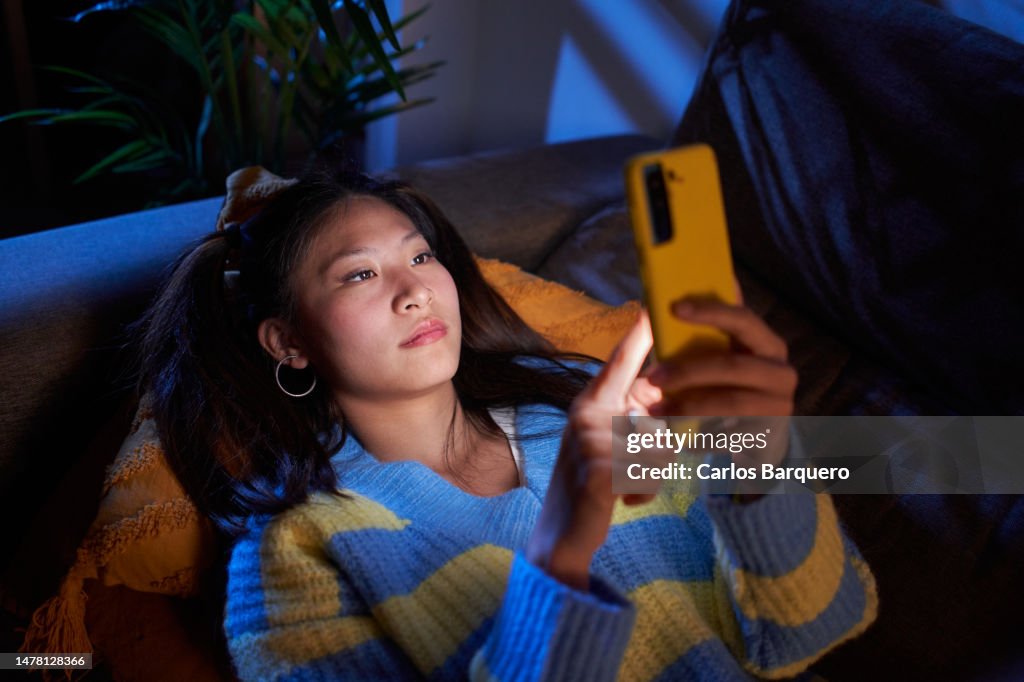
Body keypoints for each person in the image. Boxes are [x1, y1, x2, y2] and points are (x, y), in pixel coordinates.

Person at [135, 166, 877, 681]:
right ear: (288, 341)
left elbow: (808, 630)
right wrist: (562, 547)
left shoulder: (592, 407)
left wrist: (761, 464)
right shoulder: (294, 554)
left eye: (421, 256)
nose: (416, 291)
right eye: (360, 273)